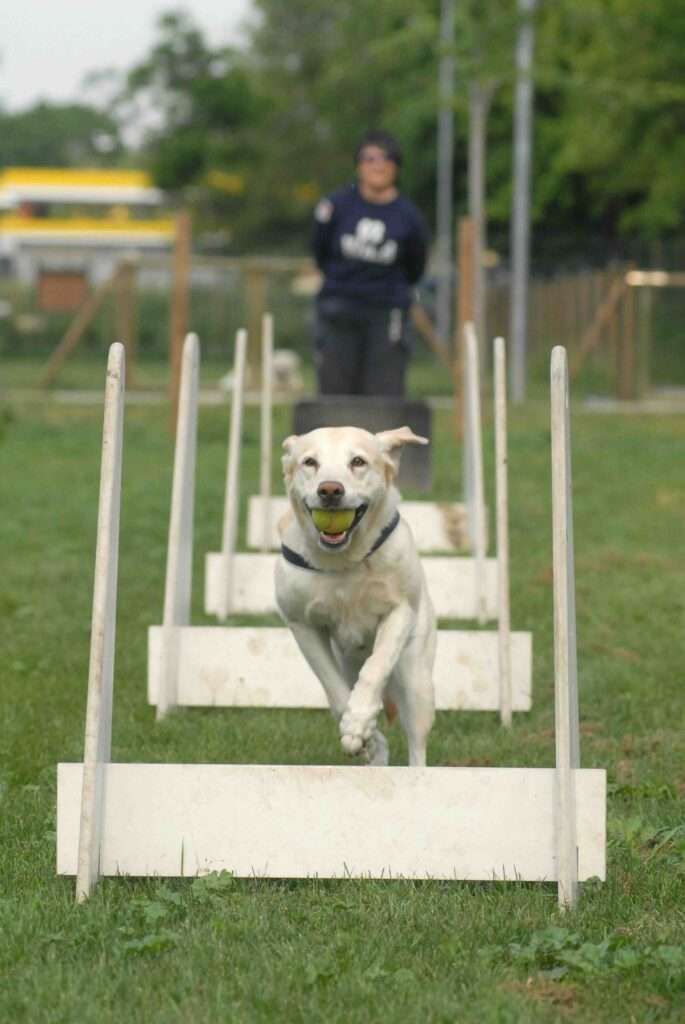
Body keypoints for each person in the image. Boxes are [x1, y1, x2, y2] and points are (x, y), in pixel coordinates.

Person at [311, 130, 429, 397]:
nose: (378, 165)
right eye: (370, 158)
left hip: (386, 311)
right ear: (358, 165)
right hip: (338, 308)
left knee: (385, 391)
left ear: (396, 167)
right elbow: (319, 252)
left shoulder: (409, 217)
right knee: (335, 390)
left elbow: (416, 266)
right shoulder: (335, 206)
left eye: (387, 159)